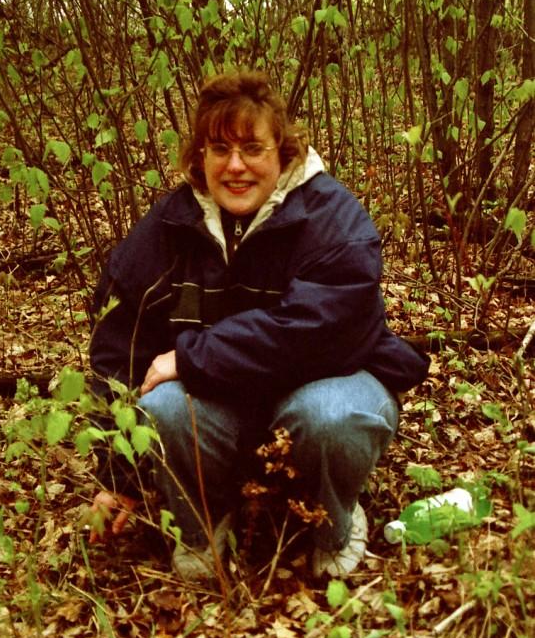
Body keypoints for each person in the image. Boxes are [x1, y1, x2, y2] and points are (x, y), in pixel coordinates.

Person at [87, 70, 429, 581]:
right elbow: (118, 346)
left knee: (330, 416)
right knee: (160, 405)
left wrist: (191, 357)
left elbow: (325, 330)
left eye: (253, 148)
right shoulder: (168, 227)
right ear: (199, 157)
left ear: (283, 152)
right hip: (226, 412)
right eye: (219, 149)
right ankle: (203, 525)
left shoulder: (331, 216)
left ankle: (333, 524)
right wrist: (119, 475)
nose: (236, 165)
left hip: (319, 394)